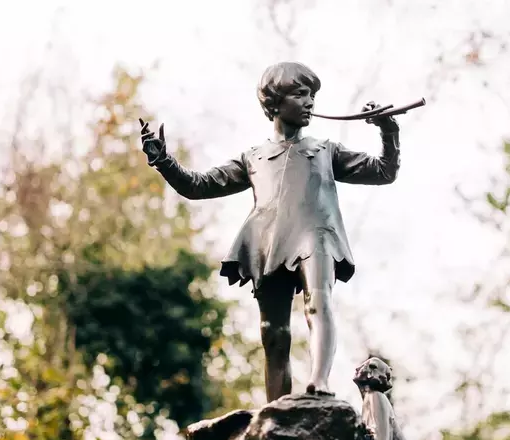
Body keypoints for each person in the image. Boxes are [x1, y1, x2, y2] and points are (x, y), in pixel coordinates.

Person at [138, 61, 401, 402]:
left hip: (316, 235)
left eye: (313, 96)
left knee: (318, 302)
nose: (310, 103)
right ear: (276, 102)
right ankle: (276, 408)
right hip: (268, 240)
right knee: (273, 332)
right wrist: (164, 161)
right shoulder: (254, 158)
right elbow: (198, 186)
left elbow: (384, 171)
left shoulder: (325, 151)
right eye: (301, 94)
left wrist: (388, 132)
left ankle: (319, 382)